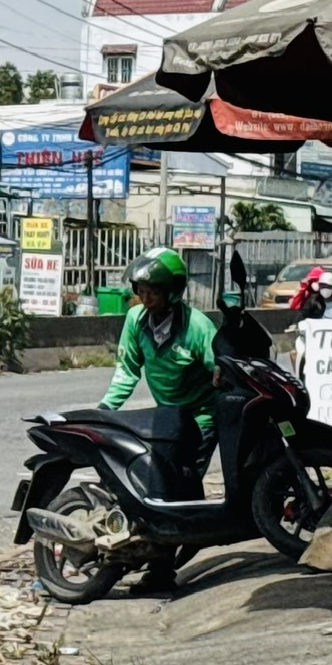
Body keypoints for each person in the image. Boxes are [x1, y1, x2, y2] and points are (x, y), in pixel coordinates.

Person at [101, 247, 222, 590]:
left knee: (174, 489)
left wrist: (220, 375)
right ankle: (179, 543)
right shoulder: (135, 321)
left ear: (173, 291)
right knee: (158, 484)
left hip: (201, 416)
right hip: (167, 418)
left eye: (153, 289)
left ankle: (162, 569)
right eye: (140, 289)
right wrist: (105, 410)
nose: (145, 296)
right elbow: (126, 371)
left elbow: (220, 369)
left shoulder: (197, 327)